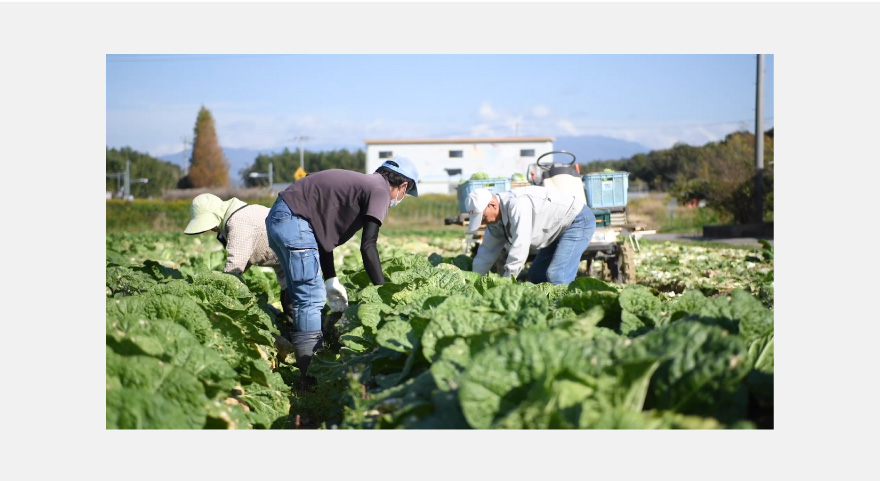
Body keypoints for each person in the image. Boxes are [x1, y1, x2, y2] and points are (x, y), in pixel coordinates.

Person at [265, 157, 419, 387]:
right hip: (293, 219)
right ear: (403, 186)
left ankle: (306, 369)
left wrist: (331, 279)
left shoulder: (362, 184)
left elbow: (321, 235)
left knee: (304, 295)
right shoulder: (380, 191)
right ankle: (309, 377)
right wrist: (385, 293)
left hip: (281, 216)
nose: (400, 198)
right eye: (405, 192)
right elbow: (368, 245)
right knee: (310, 298)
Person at [183, 193, 295, 342]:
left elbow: (235, 266)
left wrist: (216, 292)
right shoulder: (231, 221)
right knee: (288, 303)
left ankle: (312, 349)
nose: (210, 229)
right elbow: (244, 257)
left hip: (299, 258)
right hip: (285, 264)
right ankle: (300, 342)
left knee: (295, 306)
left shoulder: (239, 222)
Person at [465, 185, 595, 285]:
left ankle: (566, 313)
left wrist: (506, 282)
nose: (483, 222)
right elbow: (486, 252)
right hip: (556, 229)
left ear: (492, 205)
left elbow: (520, 248)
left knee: (557, 275)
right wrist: (472, 281)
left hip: (577, 220)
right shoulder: (495, 221)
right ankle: (548, 310)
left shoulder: (517, 205)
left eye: (483, 217)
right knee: (536, 273)